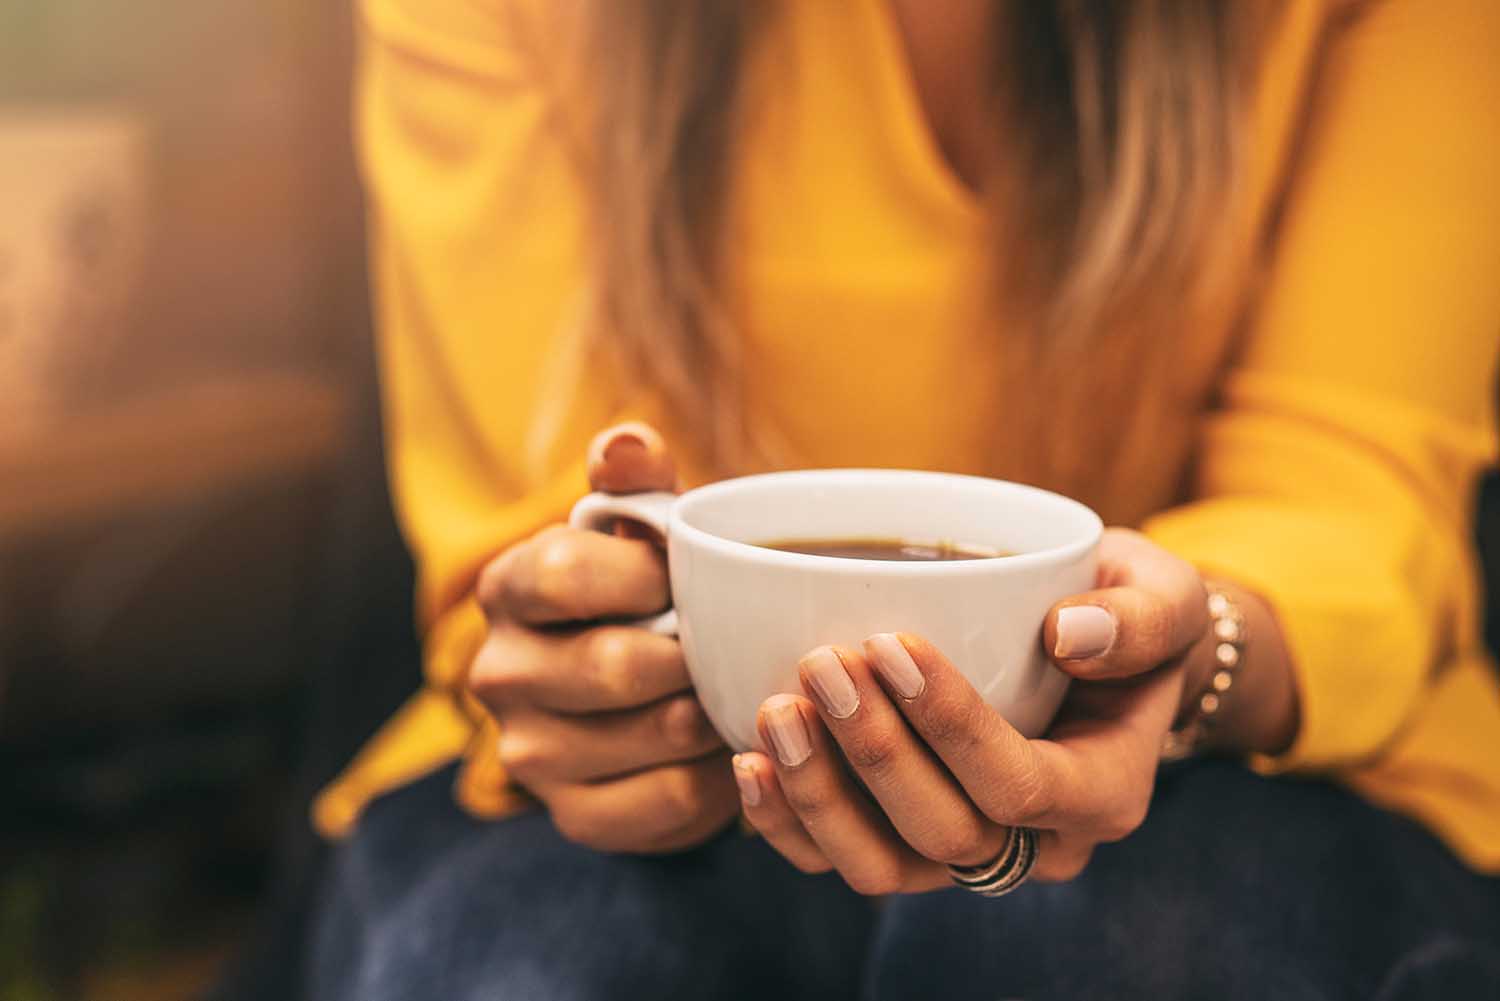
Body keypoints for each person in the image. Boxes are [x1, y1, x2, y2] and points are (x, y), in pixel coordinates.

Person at [309, 0, 1500, 997]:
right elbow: (531, 520)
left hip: (1252, 765)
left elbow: (1352, 490)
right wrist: (581, 662)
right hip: (639, 788)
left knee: (1093, 945)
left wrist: (1194, 658)